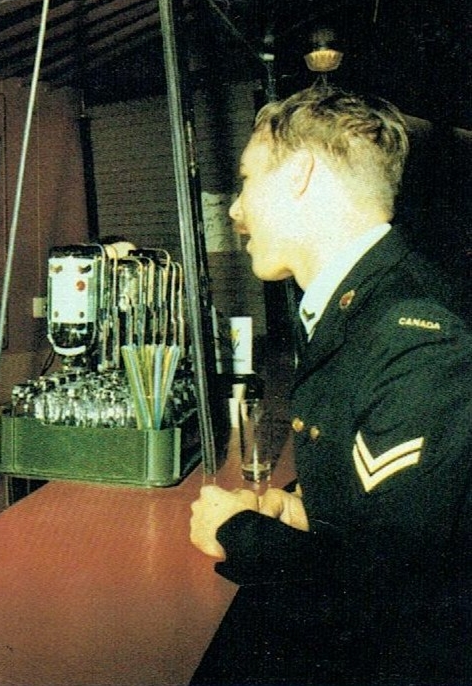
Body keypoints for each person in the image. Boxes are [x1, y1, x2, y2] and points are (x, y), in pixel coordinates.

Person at [188, 86, 472, 685]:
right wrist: (302, 511)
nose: (236, 210)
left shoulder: (414, 333)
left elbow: (395, 592)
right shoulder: (360, 302)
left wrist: (237, 531)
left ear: (299, 174)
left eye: (244, 181)